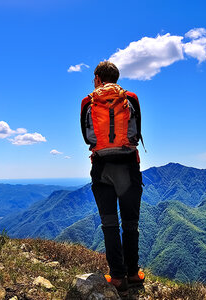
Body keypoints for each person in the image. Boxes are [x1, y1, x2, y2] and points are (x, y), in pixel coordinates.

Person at [80, 61, 145, 294]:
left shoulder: (88, 101)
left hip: (102, 167)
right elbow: (136, 132)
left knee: (109, 224)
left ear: (97, 78)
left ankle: (117, 278)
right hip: (128, 166)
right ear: (116, 78)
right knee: (130, 224)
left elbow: (88, 139)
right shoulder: (131, 98)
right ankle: (133, 274)